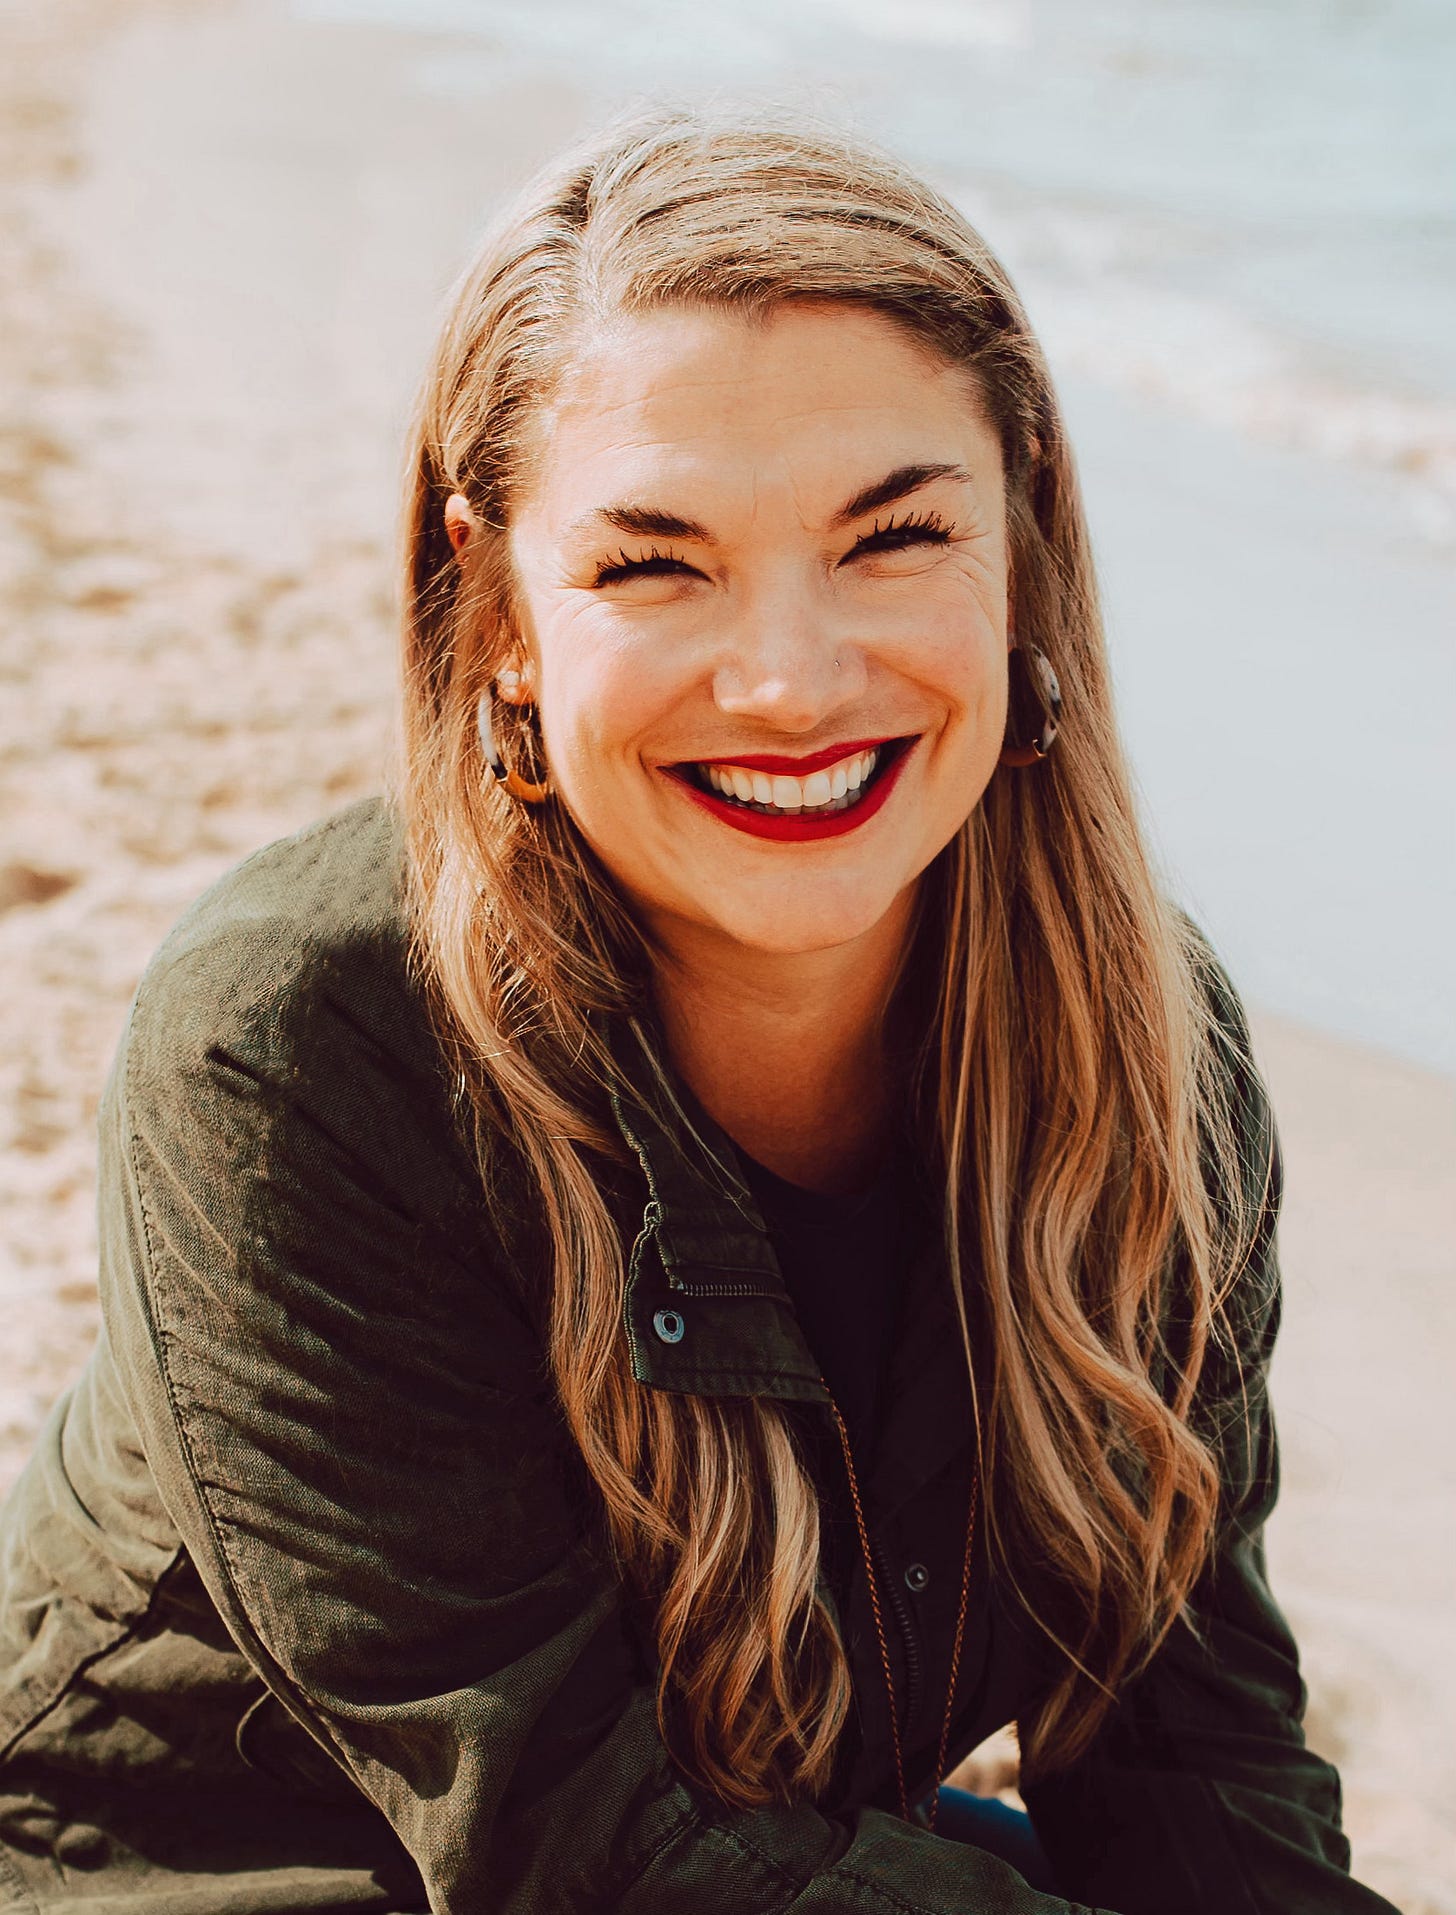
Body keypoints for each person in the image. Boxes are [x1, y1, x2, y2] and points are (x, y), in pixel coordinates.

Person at [0, 112, 1397, 1915]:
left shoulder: (1143, 1046)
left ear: (1026, 536)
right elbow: (575, 1843)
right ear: (495, 602)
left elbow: (1186, 1744)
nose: (792, 682)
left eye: (892, 536)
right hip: (207, 1866)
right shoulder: (293, 1049)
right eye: (654, 565)